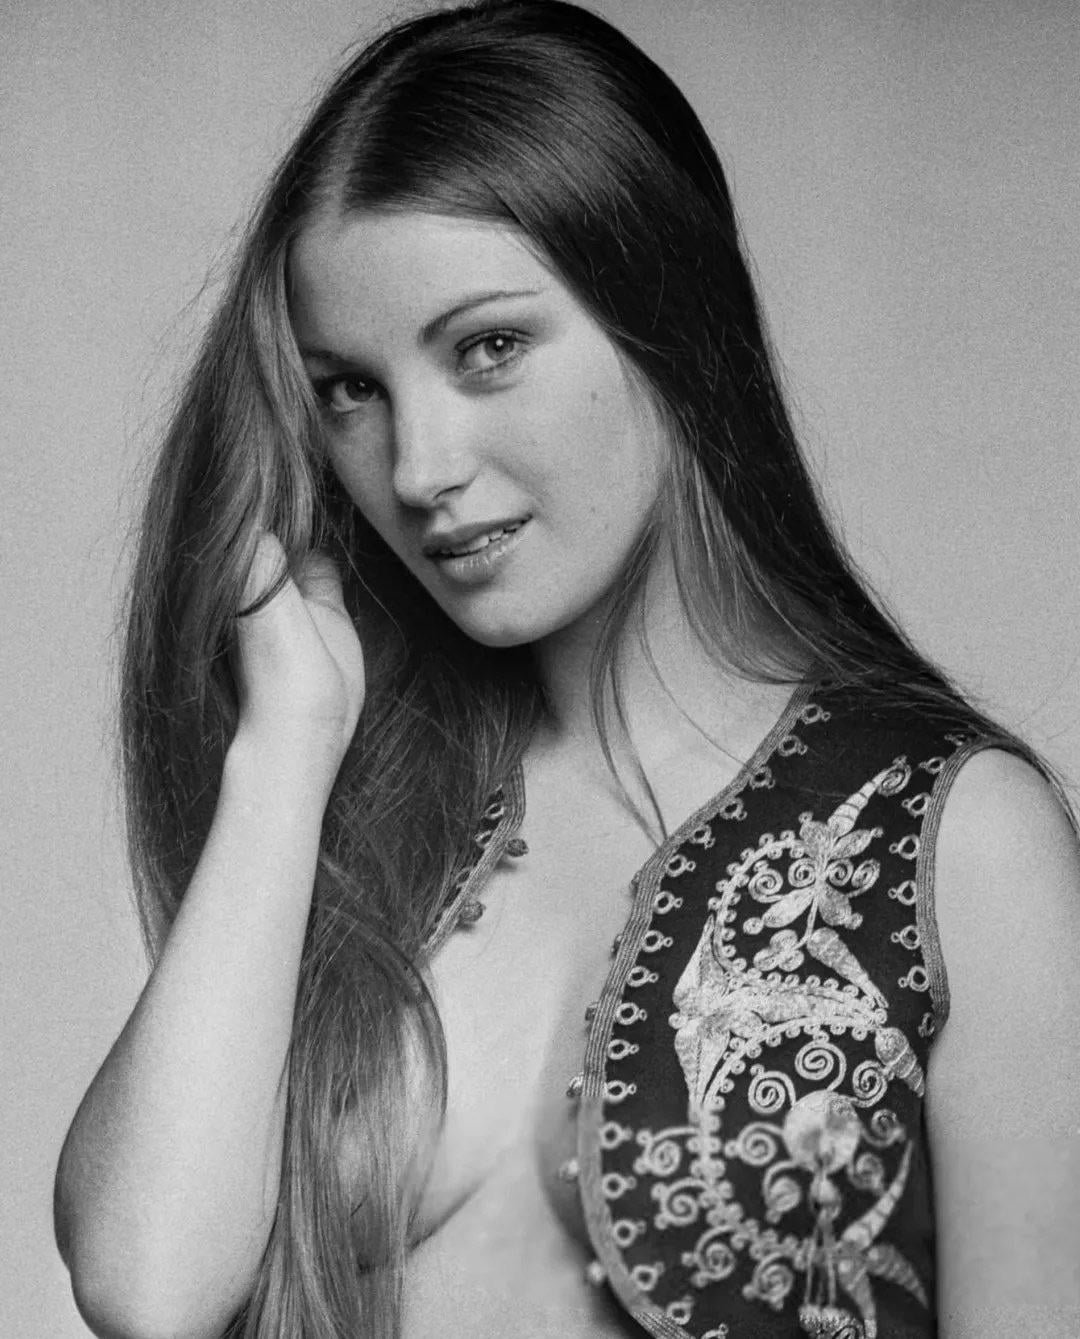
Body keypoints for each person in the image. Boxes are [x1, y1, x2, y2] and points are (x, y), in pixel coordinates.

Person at [53, 2, 1080, 1336]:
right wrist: (285, 748)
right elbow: (144, 1284)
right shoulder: (362, 821)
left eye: (488, 348)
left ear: (669, 313)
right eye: (350, 388)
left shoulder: (957, 842)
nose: (418, 468)